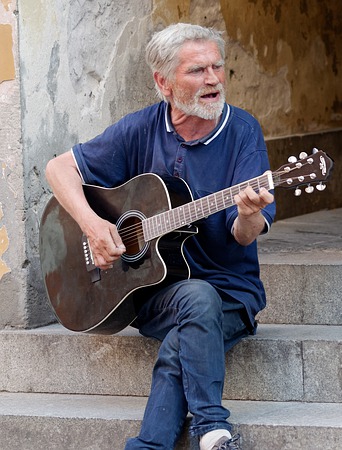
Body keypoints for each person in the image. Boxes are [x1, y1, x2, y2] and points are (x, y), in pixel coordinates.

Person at [45, 23, 275, 450]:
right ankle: (212, 430)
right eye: (197, 71)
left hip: (230, 293)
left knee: (190, 321)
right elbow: (58, 169)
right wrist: (95, 227)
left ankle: (164, 441)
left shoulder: (243, 132)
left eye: (218, 68)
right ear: (162, 83)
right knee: (191, 303)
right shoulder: (141, 128)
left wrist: (247, 214)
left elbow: (246, 236)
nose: (213, 80)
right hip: (153, 292)